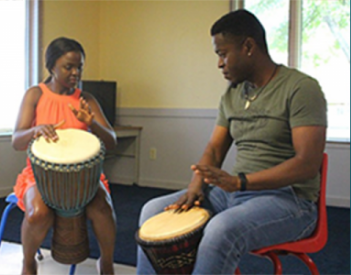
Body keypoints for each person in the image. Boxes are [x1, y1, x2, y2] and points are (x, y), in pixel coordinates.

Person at [136, 9, 327, 274]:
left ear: (248, 47)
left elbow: (307, 164)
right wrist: (195, 188)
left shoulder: (301, 88)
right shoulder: (232, 94)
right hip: (234, 195)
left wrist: (241, 182)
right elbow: (214, 149)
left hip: (289, 201)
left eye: (223, 54)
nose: (219, 63)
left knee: (221, 229)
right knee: (152, 211)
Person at [11, 37, 118, 275]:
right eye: (68, 67)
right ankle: (28, 262)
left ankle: (107, 262)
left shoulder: (86, 99)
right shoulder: (35, 95)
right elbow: (16, 141)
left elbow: (111, 141)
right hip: (39, 176)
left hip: (85, 177)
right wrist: (35, 130)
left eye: (79, 67)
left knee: (103, 208)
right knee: (38, 213)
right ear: (51, 67)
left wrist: (92, 124)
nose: (75, 72)